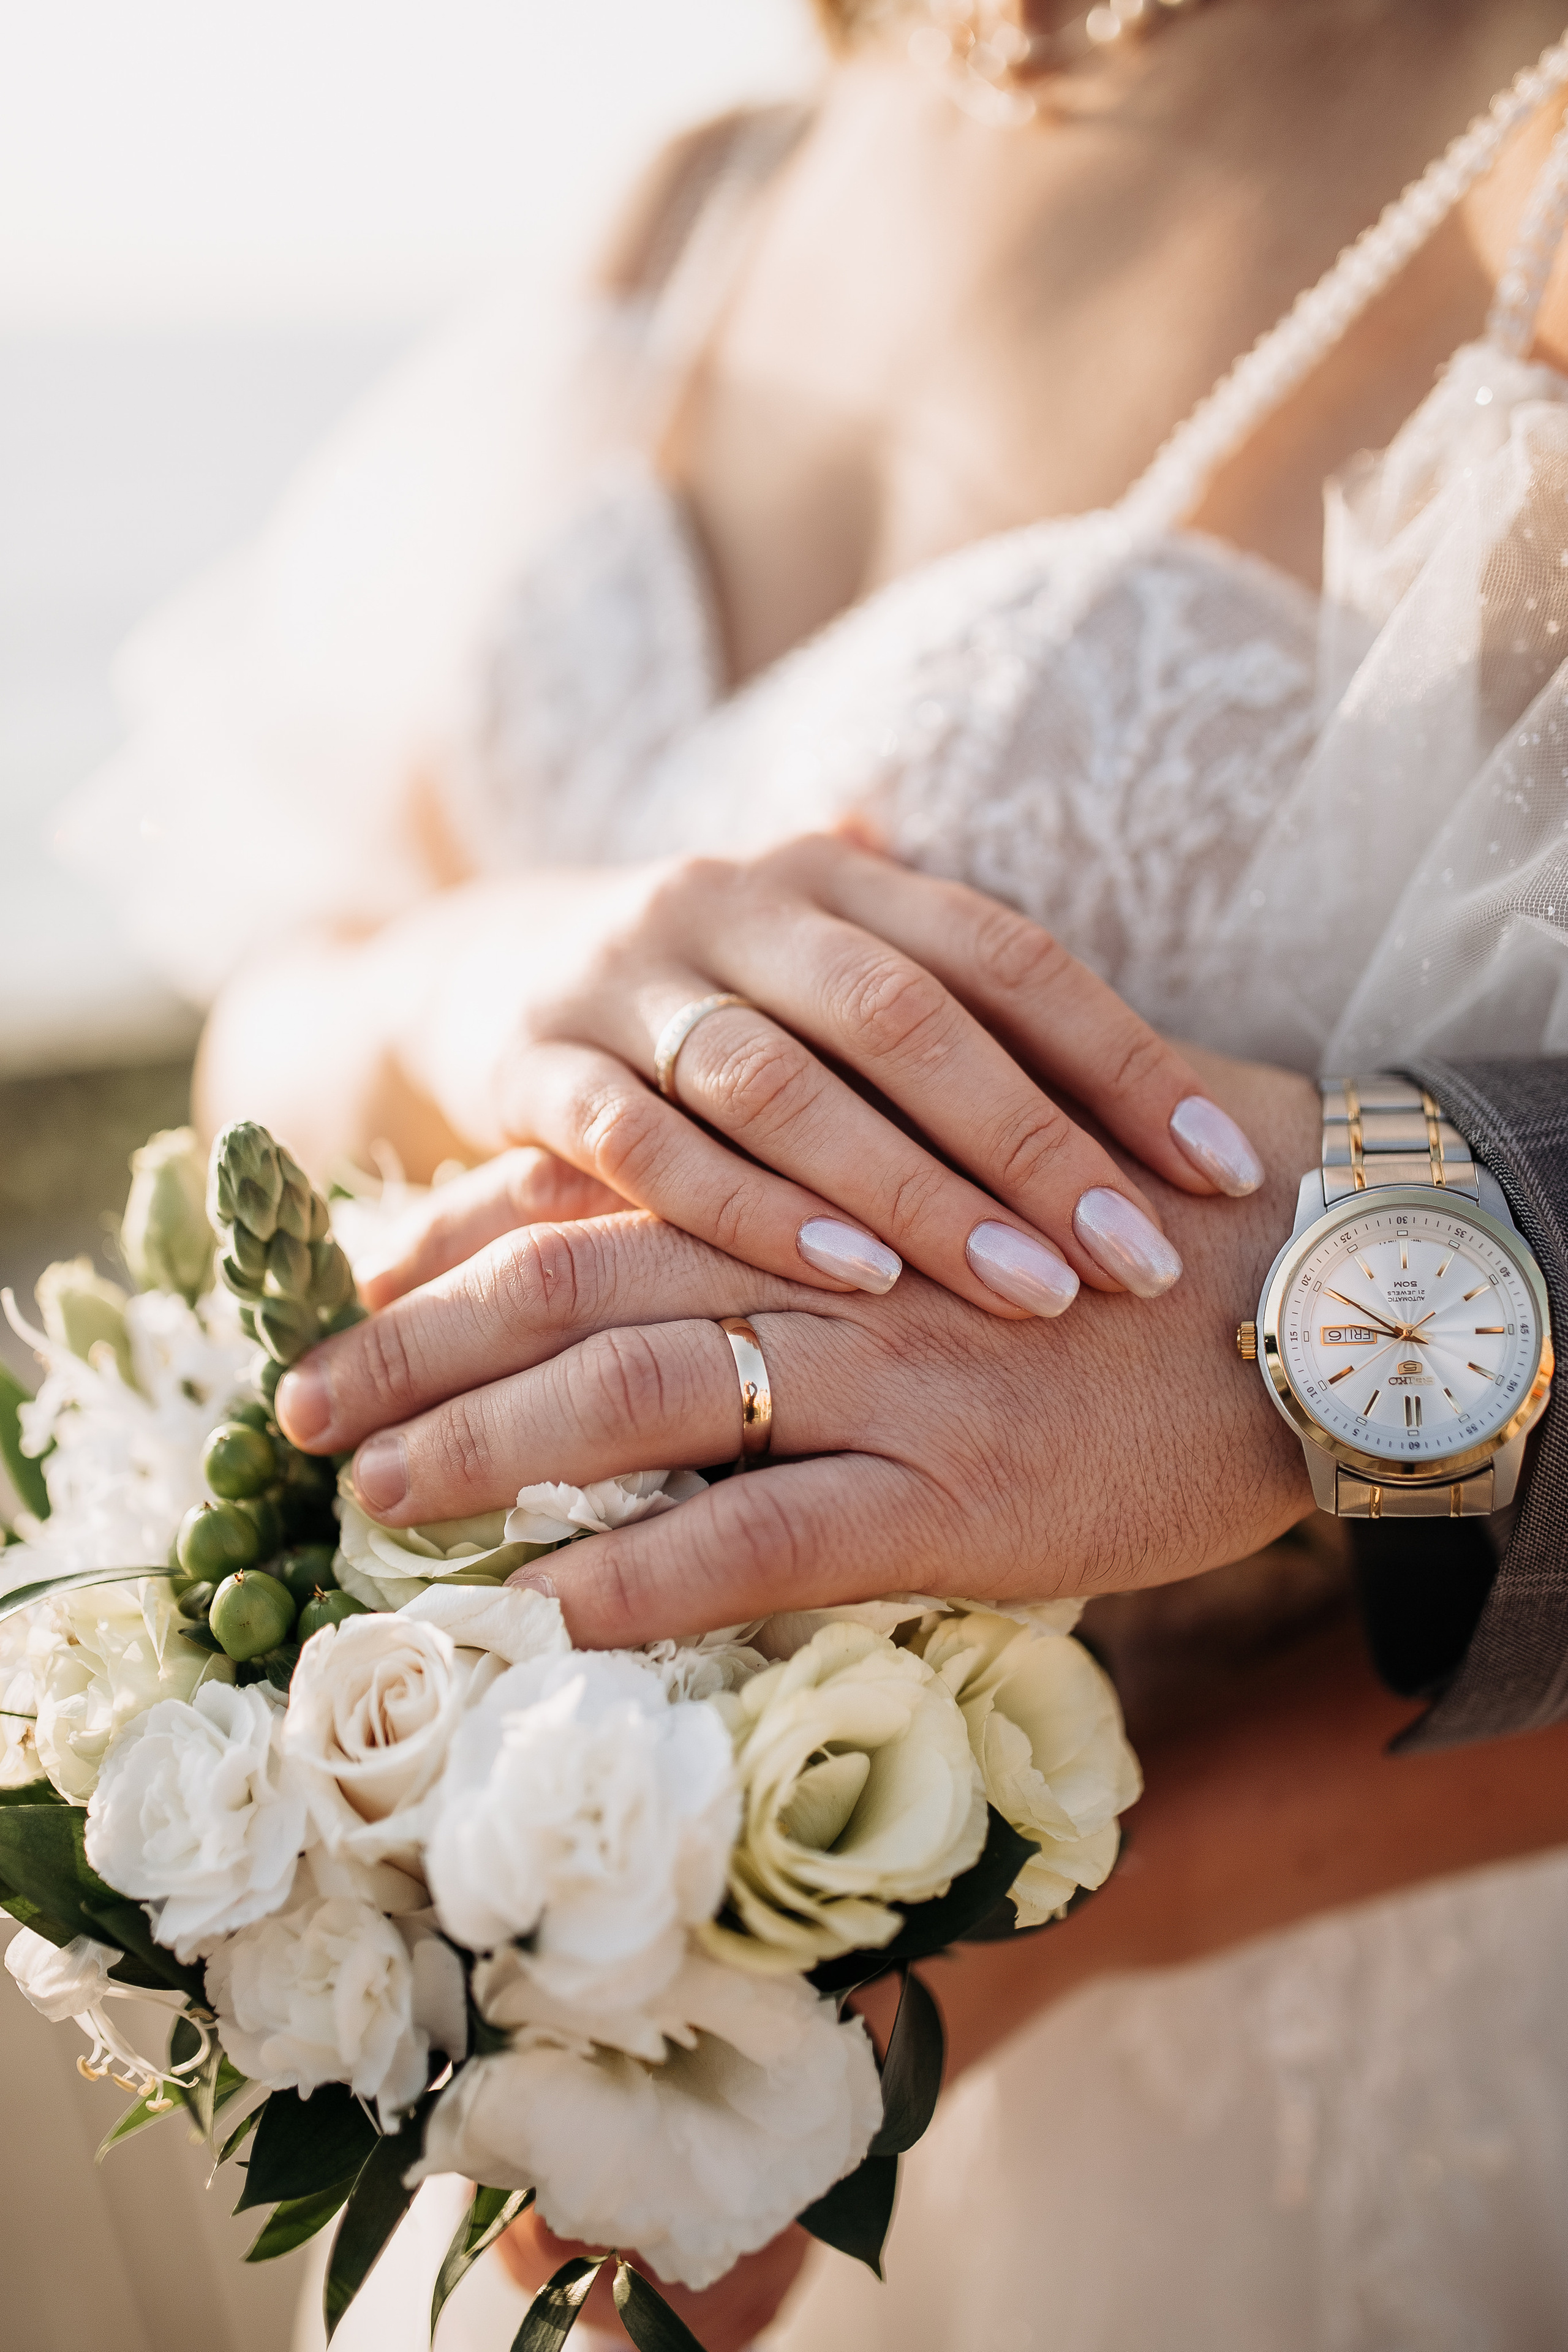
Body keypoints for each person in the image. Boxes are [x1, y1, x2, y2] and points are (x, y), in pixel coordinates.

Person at [77, 2, 1568, 2344]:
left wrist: (998, 1929)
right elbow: (275, 1020)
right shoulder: (706, 196)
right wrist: (481, 990)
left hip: (1308, 2103)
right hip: (590, 2096)